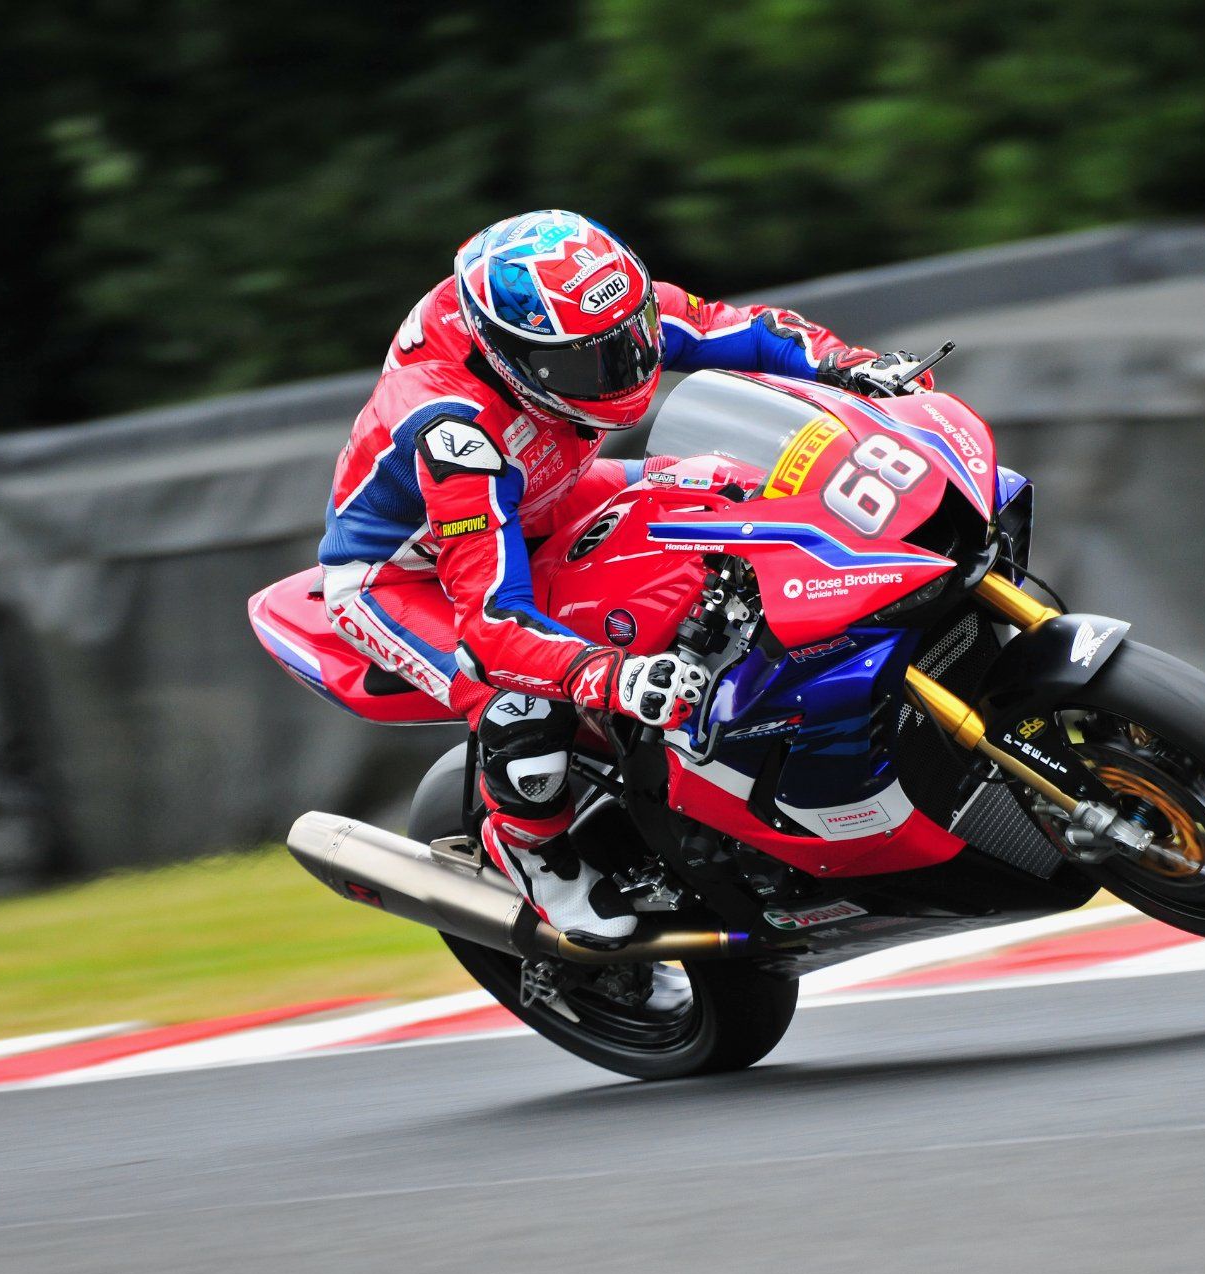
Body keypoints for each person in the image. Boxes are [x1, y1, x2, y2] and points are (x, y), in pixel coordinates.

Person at [320, 210, 929, 947]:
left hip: (545, 487)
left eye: (635, 339)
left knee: (736, 493)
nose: (631, 368)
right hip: (404, 573)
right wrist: (615, 677)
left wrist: (847, 364)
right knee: (519, 696)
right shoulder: (453, 433)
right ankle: (534, 850)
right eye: (596, 363)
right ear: (519, 359)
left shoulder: (591, 312)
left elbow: (731, 327)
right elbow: (493, 623)